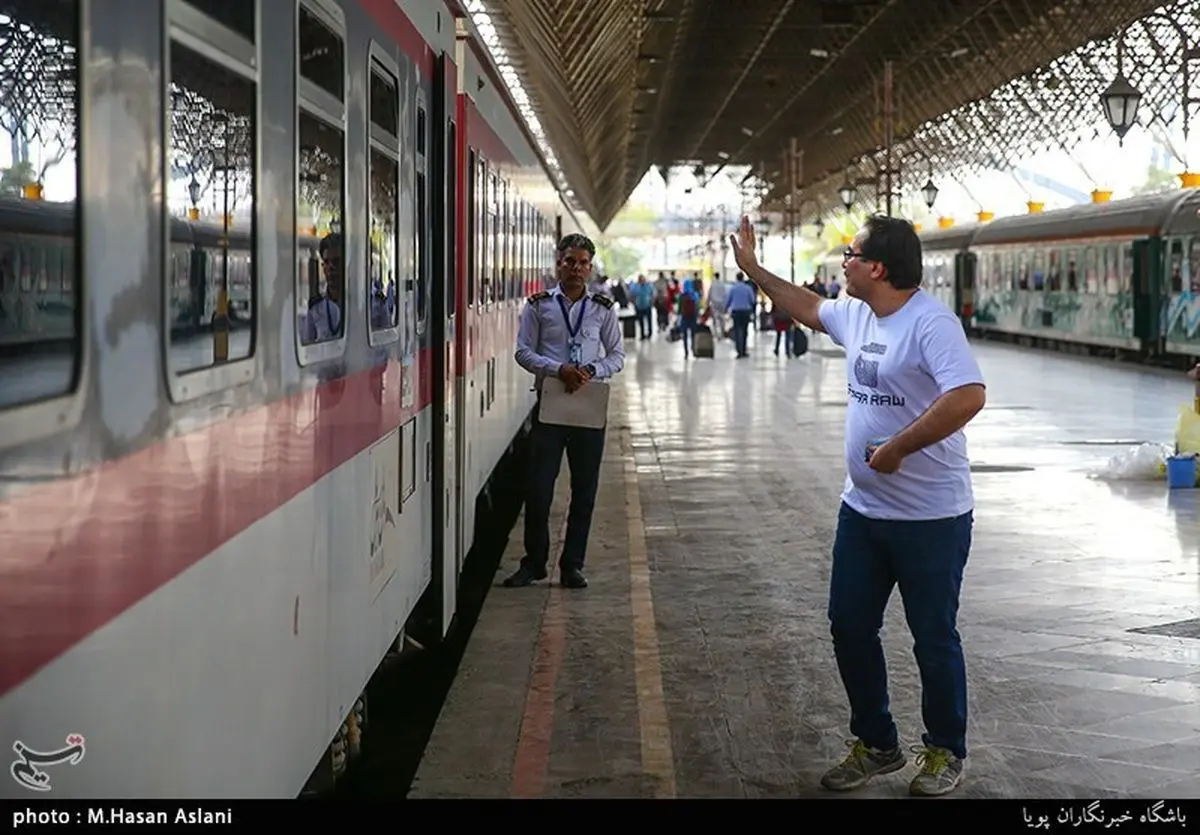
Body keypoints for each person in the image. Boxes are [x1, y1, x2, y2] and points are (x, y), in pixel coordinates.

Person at [729, 213, 987, 797]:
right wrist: (753, 269)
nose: (842, 262)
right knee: (848, 625)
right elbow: (807, 307)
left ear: (878, 268)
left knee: (933, 637)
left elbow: (968, 396)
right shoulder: (857, 312)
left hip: (931, 518)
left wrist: (898, 447)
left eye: (851, 254)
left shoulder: (931, 323)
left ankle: (945, 750)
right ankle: (877, 743)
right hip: (864, 512)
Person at [507, 233, 625, 589]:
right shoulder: (538, 306)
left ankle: (572, 564)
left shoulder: (603, 309)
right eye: (570, 261)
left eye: (583, 263)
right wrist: (558, 369)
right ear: (558, 263)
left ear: (590, 268)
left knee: (584, 490)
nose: (576, 268)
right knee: (538, 489)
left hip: (588, 407)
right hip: (551, 407)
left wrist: (591, 370)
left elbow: (617, 356)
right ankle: (534, 563)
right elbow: (523, 351)